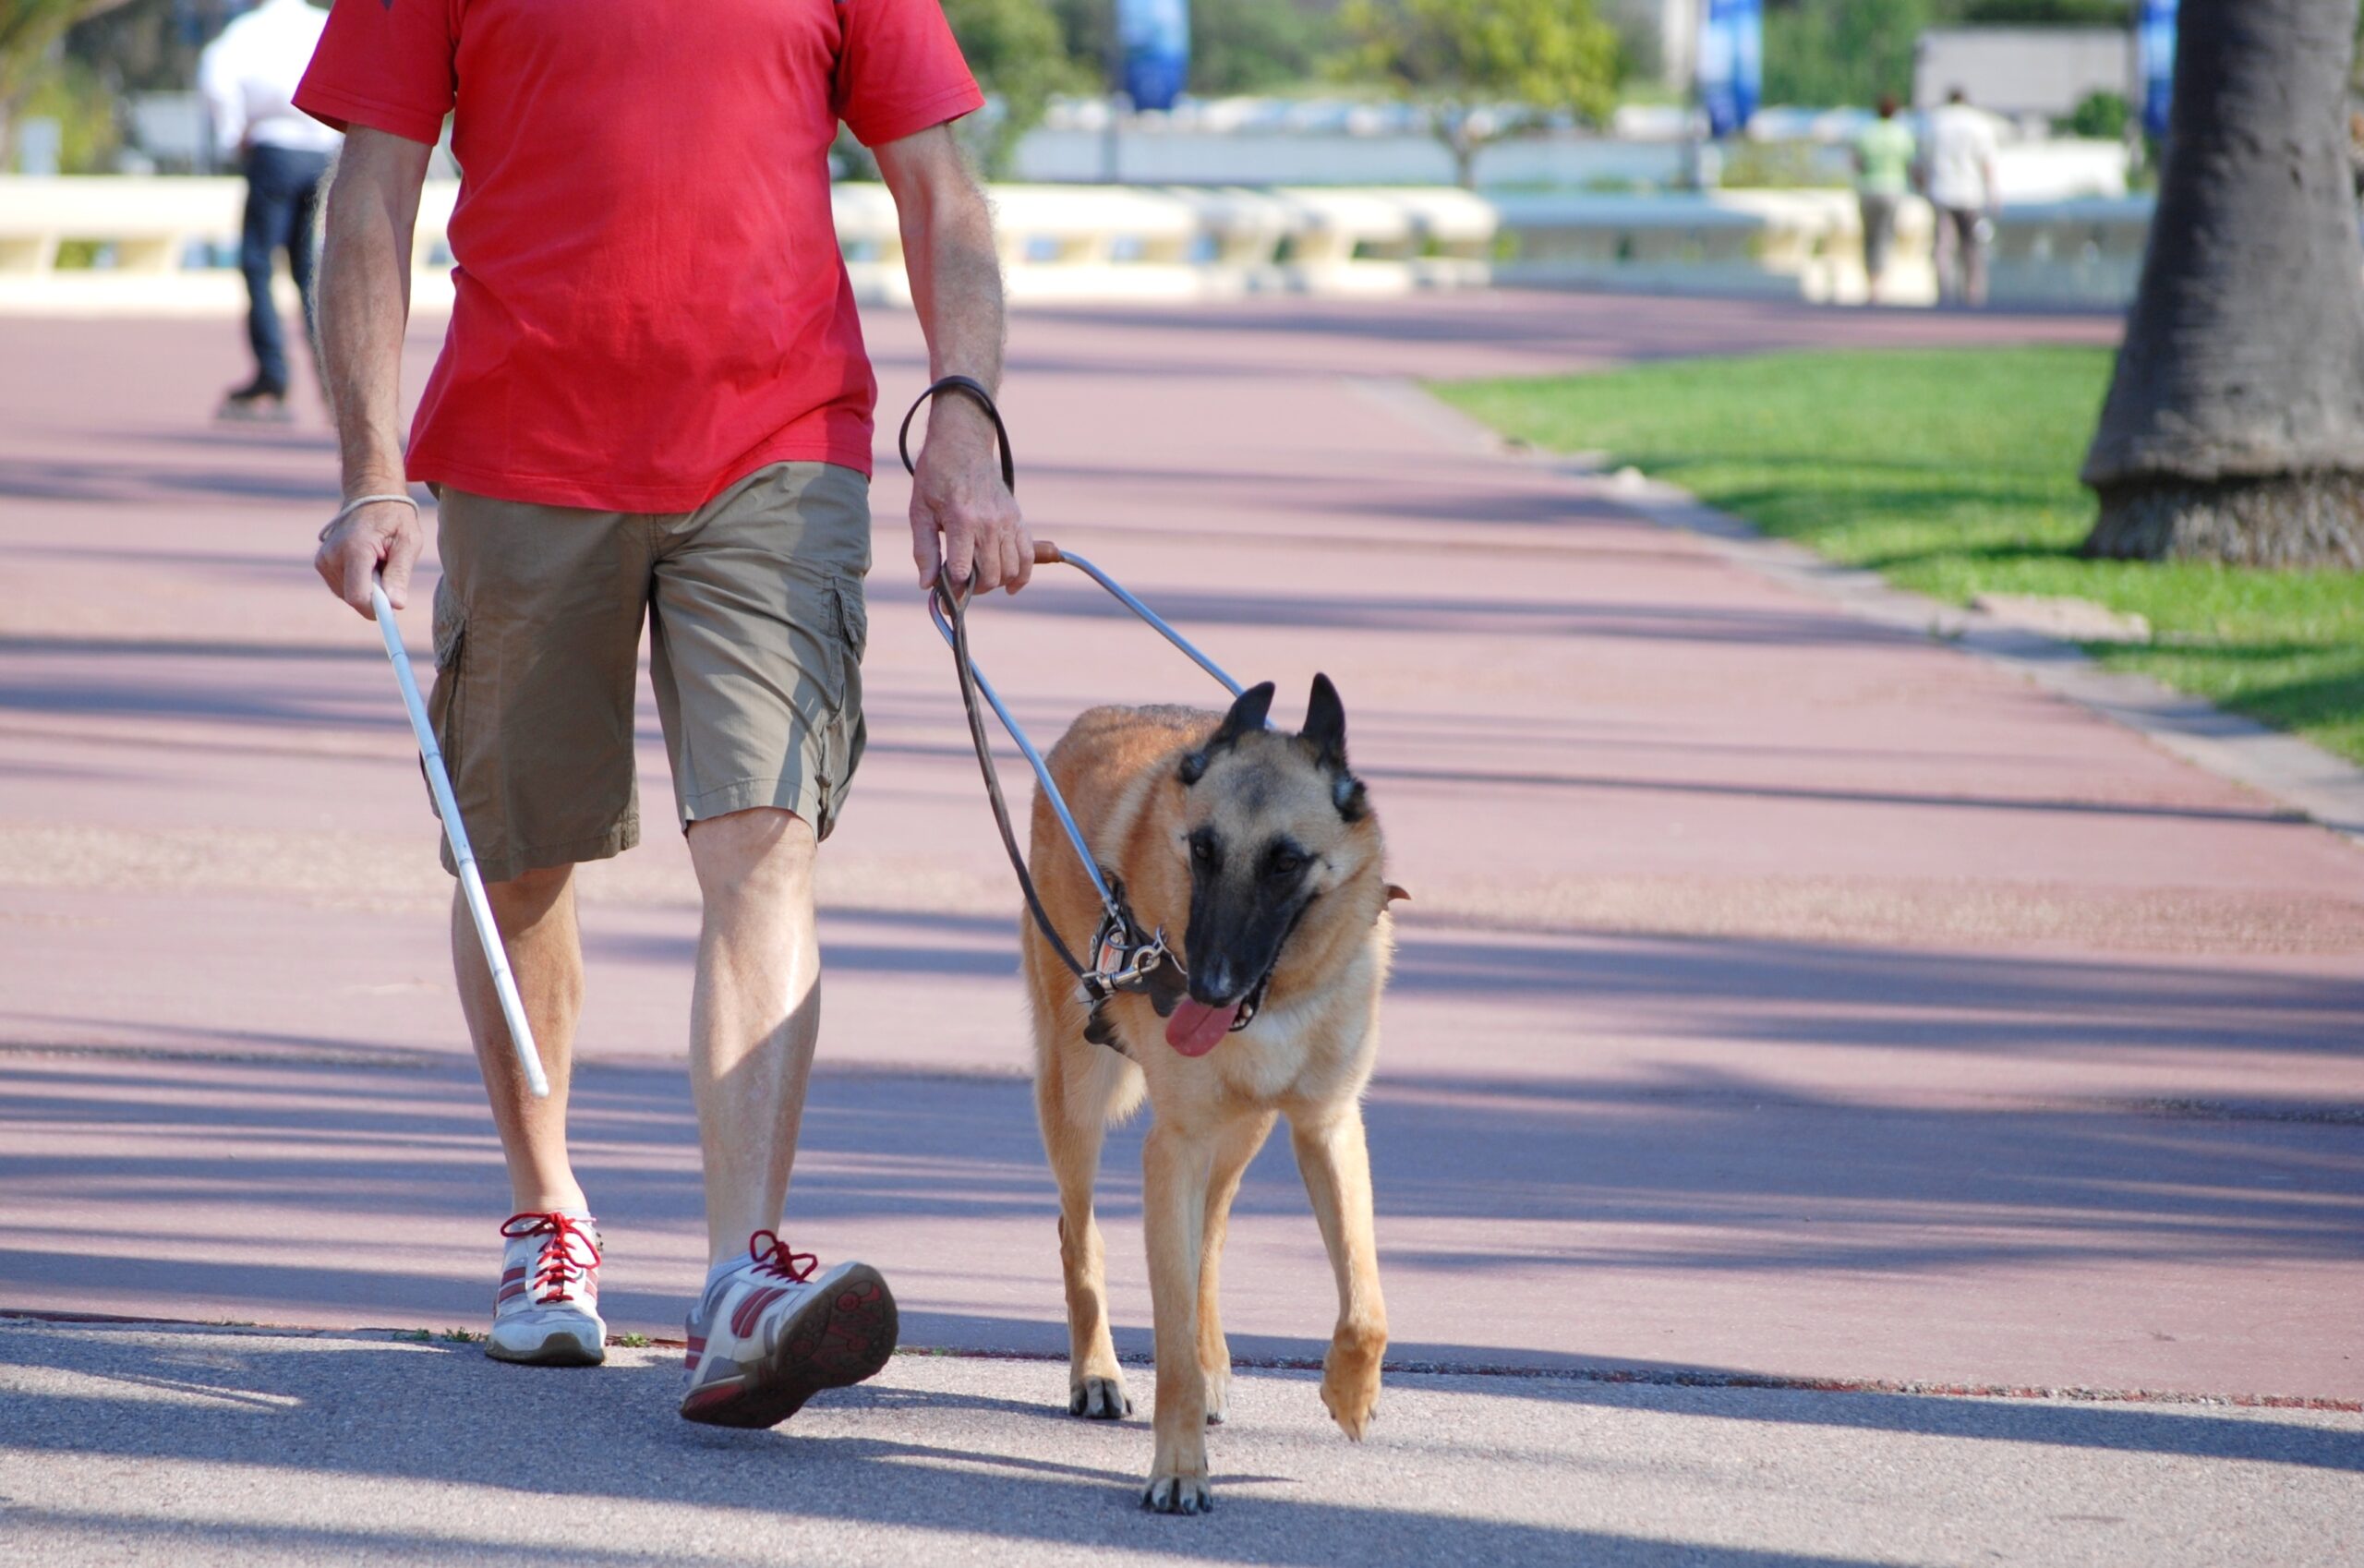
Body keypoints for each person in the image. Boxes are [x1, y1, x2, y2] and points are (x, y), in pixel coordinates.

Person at [295, 0, 1029, 1425]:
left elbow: (942, 190)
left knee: (765, 836)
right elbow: (371, 195)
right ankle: (547, 1218)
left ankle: (741, 1280)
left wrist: (962, 422)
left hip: (780, 448)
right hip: (519, 449)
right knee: (516, 853)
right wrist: (372, 467)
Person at [197, 0, 338, 422]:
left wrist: (231, 132)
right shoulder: (323, 23)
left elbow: (214, 74)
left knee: (258, 262)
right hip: (322, 153)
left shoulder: (248, 30)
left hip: (273, 148)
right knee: (308, 270)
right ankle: (333, 380)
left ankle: (272, 375)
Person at [1920, 87, 2001, 307]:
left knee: (1942, 245)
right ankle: (1973, 292)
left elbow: (1924, 159)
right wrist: (1993, 192)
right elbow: (1986, 161)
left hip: (1941, 190)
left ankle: (1943, 292)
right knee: (1971, 246)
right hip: (1970, 192)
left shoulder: (1935, 122)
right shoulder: (1978, 123)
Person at [1851, 95, 1915, 304]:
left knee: (1869, 237)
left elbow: (1857, 162)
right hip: (1893, 189)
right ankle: (1881, 282)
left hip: (1869, 188)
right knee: (1885, 236)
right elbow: (1910, 163)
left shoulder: (1867, 132)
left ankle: (1872, 282)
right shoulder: (1901, 133)